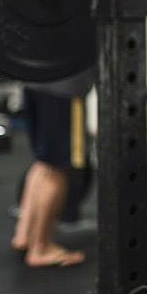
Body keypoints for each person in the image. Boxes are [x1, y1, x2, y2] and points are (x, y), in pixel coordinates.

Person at [11, 69, 93, 268]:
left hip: (34, 81)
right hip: (65, 87)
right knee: (58, 168)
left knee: (43, 162)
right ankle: (41, 248)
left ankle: (23, 235)